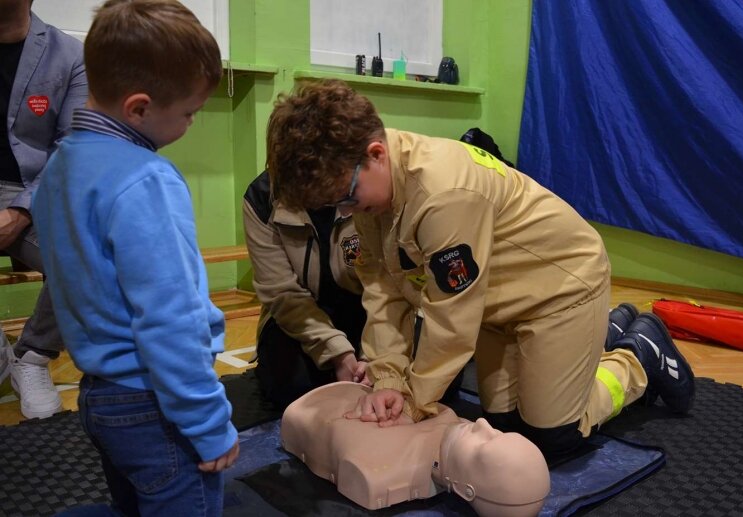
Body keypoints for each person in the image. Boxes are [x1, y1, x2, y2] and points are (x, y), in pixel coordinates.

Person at [264, 79, 696, 460]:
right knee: (504, 430)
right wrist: (386, 378)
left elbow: (451, 321)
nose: (346, 210)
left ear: (375, 154)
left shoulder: (442, 193)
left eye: (346, 200)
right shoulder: (371, 191)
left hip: (561, 289)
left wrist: (413, 399)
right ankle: (607, 328)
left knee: (552, 437)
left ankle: (636, 355)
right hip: (495, 306)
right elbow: (383, 292)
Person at [32, 1, 238, 514]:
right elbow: (171, 318)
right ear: (139, 108)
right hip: (155, 404)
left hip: (99, 398)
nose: (192, 122)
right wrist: (210, 426)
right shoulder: (147, 179)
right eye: (190, 112)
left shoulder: (59, 166)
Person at [0, 0, 87, 419]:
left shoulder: (69, 55)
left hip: (34, 191)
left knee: (82, 254)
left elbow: (70, 146)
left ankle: (31, 357)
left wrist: (21, 210)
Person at [280, 382, 550, 516]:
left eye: (485, 443)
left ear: (465, 489)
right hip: (339, 394)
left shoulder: (381, 471)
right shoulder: (451, 421)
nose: (482, 424)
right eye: (499, 433)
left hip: (312, 408)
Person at [243, 170, 369, 409]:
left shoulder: (369, 181)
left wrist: (375, 355)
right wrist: (337, 353)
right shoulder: (261, 196)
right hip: (298, 316)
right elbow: (281, 293)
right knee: (294, 387)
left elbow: (386, 288)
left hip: (365, 307)